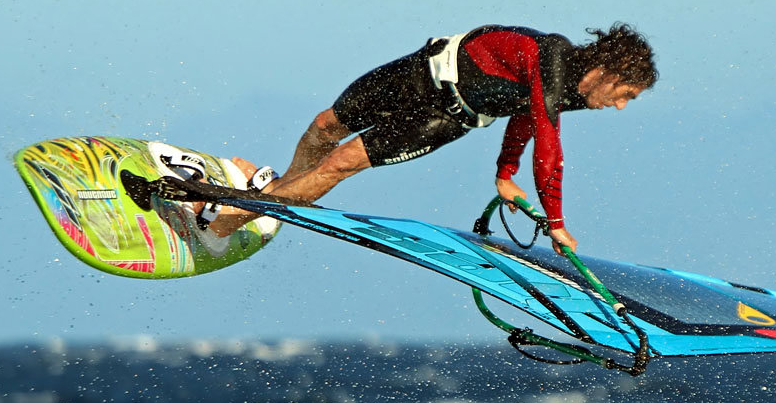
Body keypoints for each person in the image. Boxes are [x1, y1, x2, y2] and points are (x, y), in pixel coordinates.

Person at [206, 23, 658, 253]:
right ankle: (276, 197)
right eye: (625, 94)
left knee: (341, 163)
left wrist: (506, 176)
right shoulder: (555, 62)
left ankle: (228, 222)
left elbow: (527, 118)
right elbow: (547, 144)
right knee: (325, 125)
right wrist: (554, 220)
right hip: (421, 74)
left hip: (447, 117)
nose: (620, 106)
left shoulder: (575, 94)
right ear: (610, 73)